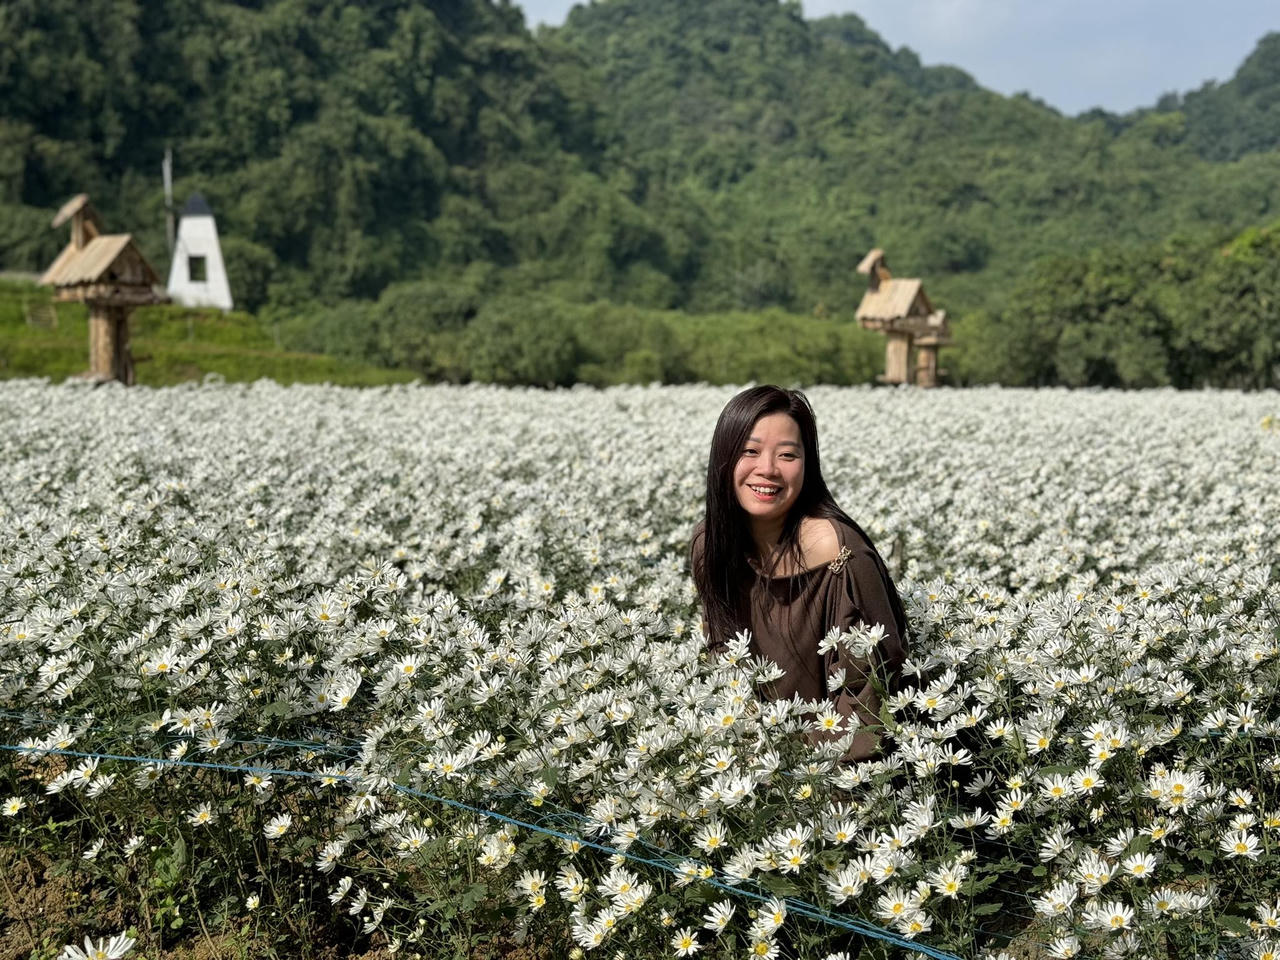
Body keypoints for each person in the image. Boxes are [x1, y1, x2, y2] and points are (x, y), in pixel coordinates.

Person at [690, 385, 908, 761]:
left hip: (843, 774)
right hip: (754, 761)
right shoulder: (710, 545)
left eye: (788, 454)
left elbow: (867, 700)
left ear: (808, 465)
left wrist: (798, 770)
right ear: (724, 459)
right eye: (750, 451)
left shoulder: (844, 556)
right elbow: (724, 663)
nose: (768, 469)